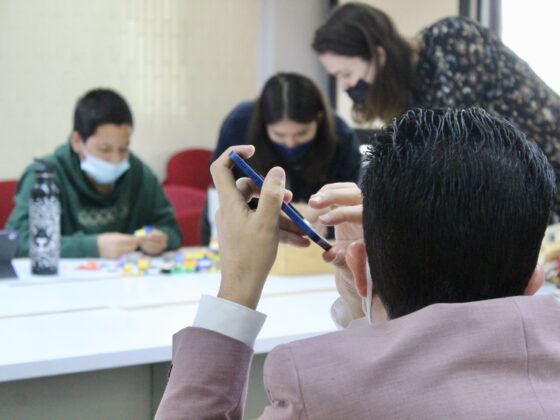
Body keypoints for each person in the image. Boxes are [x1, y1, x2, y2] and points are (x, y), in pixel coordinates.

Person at [155, 108, 560, 418]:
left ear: (360, 265)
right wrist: (365, 308)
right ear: (534, 282)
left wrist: (237, 287)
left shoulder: (315, 392)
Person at [312, 2, 560, 216]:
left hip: (550, 163)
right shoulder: (409, 95)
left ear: (379, 55)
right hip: (522, 184)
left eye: (346, 74)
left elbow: (455, 149)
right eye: (337, 77)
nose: (345, 86)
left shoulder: (451, 40)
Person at [7, 88, 182, 258]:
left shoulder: (138, 173)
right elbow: (16, 242)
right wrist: (92, 247)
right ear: (77, 141)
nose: (116, 159)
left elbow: (172, 230)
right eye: (105, 149)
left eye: (123, 148)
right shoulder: (45, 177)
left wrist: (162, 239)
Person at [201, 72, 362, 244]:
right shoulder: (239, 124)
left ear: (319, 118)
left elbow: (351, 198)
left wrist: (326, 213)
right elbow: (221, 189)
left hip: (317, 236)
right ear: (264, 124)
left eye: (302, 133)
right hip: (244, 228)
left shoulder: (341, 136)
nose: (291, 143)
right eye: (279, 134)